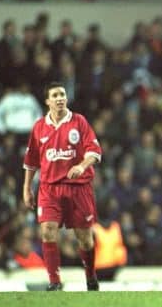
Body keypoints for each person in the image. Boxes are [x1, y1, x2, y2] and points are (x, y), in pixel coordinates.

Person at [23, 82, 102, 291]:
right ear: (47, 101)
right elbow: (31, 161)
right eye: (55, 95)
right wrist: (26, 188)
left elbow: (94, 151)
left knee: (85, 239)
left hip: (78, 188)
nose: (60, 98)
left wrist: (82, 165)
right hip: (49, 188)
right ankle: (54, 282)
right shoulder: (39, 127)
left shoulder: (79, 122)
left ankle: (91, 275)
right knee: (48, 231)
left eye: (62, 94)